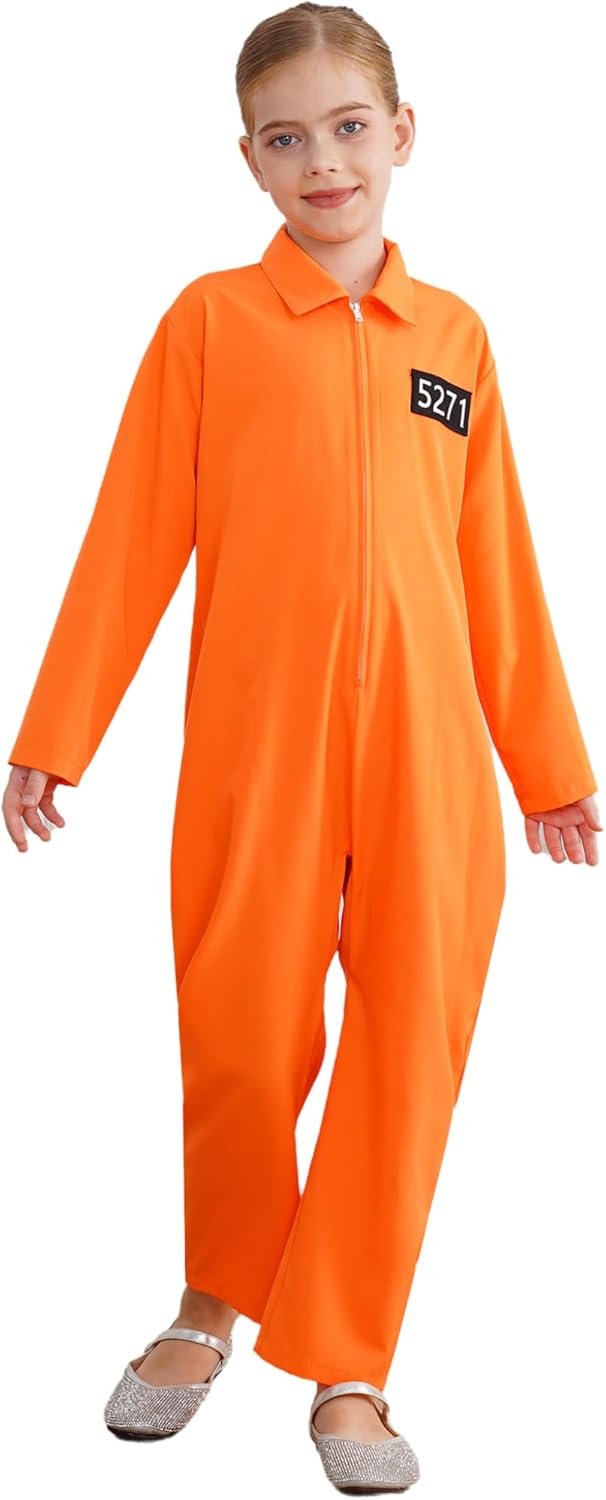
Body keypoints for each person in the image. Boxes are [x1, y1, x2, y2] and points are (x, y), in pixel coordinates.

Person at [3, 2, 601, 1487]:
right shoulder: (210, 322)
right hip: (254, 749)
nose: (323, 160)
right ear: (250, 161)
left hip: (429, 765)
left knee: (409, 1047)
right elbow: (131, 537)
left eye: (348, 128)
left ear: (402, 136)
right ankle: (211, 1302)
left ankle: (350, 1364)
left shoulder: (454, 338)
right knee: (241, 1030)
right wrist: (58, 730)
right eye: (287, 137)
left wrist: (547, 767)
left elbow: (496, 566)